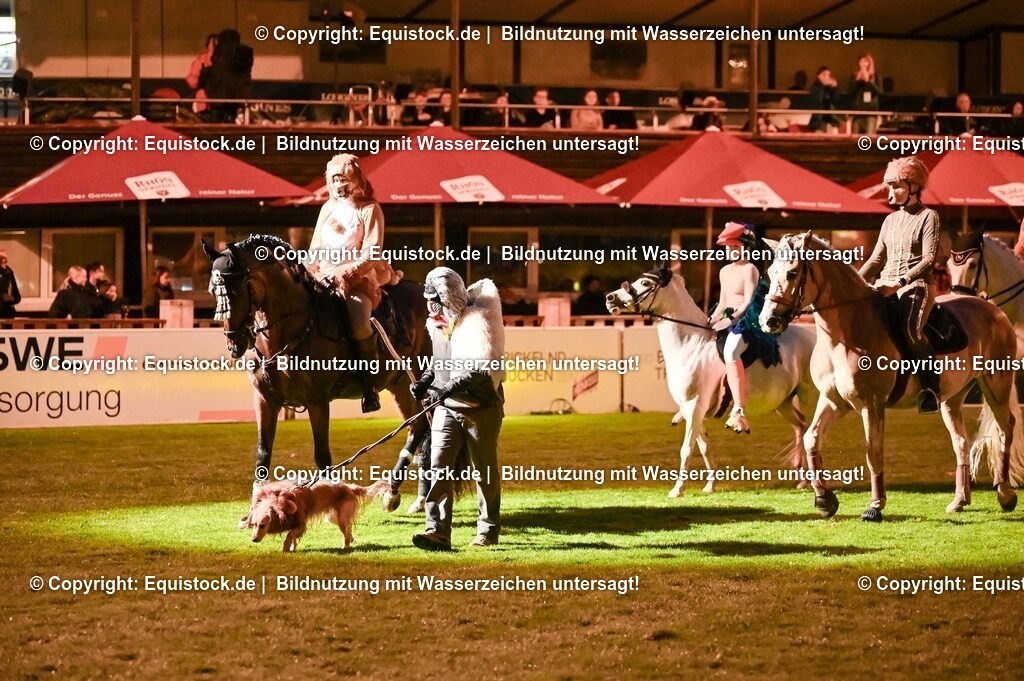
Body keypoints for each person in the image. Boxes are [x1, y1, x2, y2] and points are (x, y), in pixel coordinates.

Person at [409, 267, 505, 550]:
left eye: (435, 300)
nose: (430, 308)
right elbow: (440, 361)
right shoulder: (438, 324)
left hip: (480, 408)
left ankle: (488, 530)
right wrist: (426, 380)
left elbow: (482, 368)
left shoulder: (480, 320)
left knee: (483, 471)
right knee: (438, 468)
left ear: (448, 296)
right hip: (446, 407)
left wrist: (446, 388)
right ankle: (436, 532)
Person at [308, 154, 398, 413]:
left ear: (356, 179)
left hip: (357, 279)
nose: (339, 185)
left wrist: (348, 273)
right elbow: (315, 248)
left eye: (343, 179)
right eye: (334, 179)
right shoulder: (326, 209)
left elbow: (372, 251)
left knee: (358, 317)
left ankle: (370, 385)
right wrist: (305, 268)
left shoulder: (370, 209)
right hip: (322, 277)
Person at [858, 156, 941, 413]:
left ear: (913, 188)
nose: (890, 193)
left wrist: (899, 283)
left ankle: (930, 389)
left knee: (911, 330)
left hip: (917, 287)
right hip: (884, 284)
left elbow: (929, 259)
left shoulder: (929, 216)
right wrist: (856, 282)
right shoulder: (889, 221)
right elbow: (876, 259)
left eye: (896, 186)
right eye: (889, 187)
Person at [708, 222, 761, 434]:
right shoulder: (723, 271)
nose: (730, 251)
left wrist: (732, 318)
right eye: (728, 248)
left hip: (745, 320)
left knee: (730, 351)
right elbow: (722, 302)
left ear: (746, 248)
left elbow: (749, 301)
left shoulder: (750, 269)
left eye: (735, 247)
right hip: (726, 318)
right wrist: (711, 320)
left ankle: (739, 408)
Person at [200, 29, 253, 123]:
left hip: (219, 100)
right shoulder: (241, 52)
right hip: (235, 98)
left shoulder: (219, 55)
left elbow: (206, 78)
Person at [848, 54, 882, 134]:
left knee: (869, 137)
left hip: (870, 112)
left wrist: (869, 81)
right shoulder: (855, 76)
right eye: (861, 62)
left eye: (865, 62)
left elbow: (880, 92)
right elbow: (851, 92)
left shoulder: (876, 76)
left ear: (869, 63)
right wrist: (857, 81)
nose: (863, 64)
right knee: (855, 137)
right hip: (857, 112)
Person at [186, 33, 217, 115]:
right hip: (203, 97)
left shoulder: (225, 61)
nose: (214, 46)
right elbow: (191, 80)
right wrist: (201, 79)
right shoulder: (201, 60)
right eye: (212, 44)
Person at [808, 66, 839, 133]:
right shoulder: (815, 87)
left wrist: (835, 88)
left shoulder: (830, 88)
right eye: (824, 75)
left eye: (828, 75)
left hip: (831, 119)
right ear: (818, 76)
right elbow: (818, 100)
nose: (826, 77)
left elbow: (836, 100)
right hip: (819, 121)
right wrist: (822, 86)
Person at [0, 249, 21, 318]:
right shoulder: (7, 273)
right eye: (1, 258)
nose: (4, 260)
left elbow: (16, 295)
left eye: (5, 258)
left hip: (9, 312)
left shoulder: (9, 273)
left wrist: (11, 300)